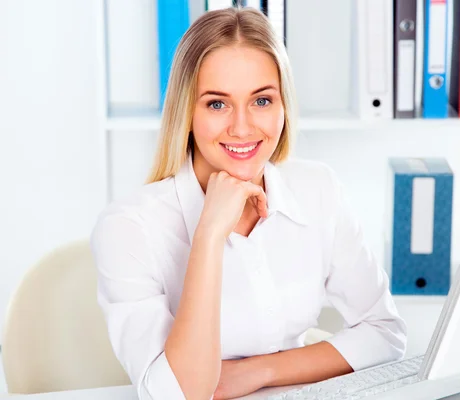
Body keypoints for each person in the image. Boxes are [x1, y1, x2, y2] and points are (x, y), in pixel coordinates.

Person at [90, 6, 407, 400]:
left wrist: (258, 372)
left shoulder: (318, 188)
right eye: (217, 104)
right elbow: (177, 394)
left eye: (261, 100)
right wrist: (208, 235)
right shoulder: (128, 228)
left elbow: (385, 332)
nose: (242, 127)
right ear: (186, 112)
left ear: (283, 106)